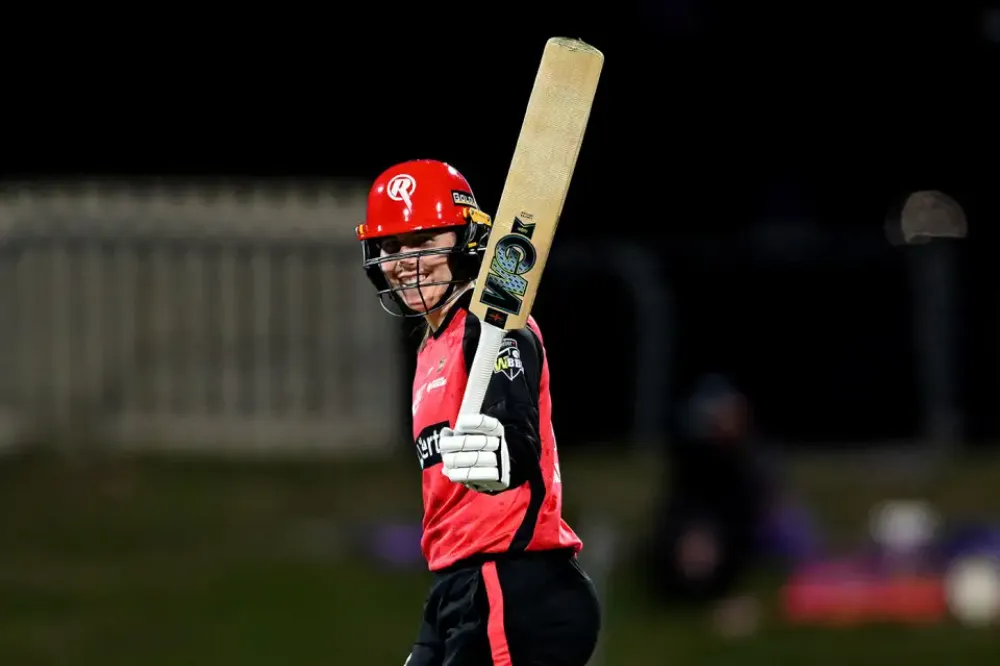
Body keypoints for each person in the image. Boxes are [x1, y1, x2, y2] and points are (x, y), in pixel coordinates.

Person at [356, 159, 601, 666]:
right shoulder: (430, 345)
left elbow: (519, 436)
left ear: (464, 238)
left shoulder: (489, 328)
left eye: (423, 238)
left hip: (513, 582)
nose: (405, 259)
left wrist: (501, 458)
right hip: (455, 586)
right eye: (391, 246)